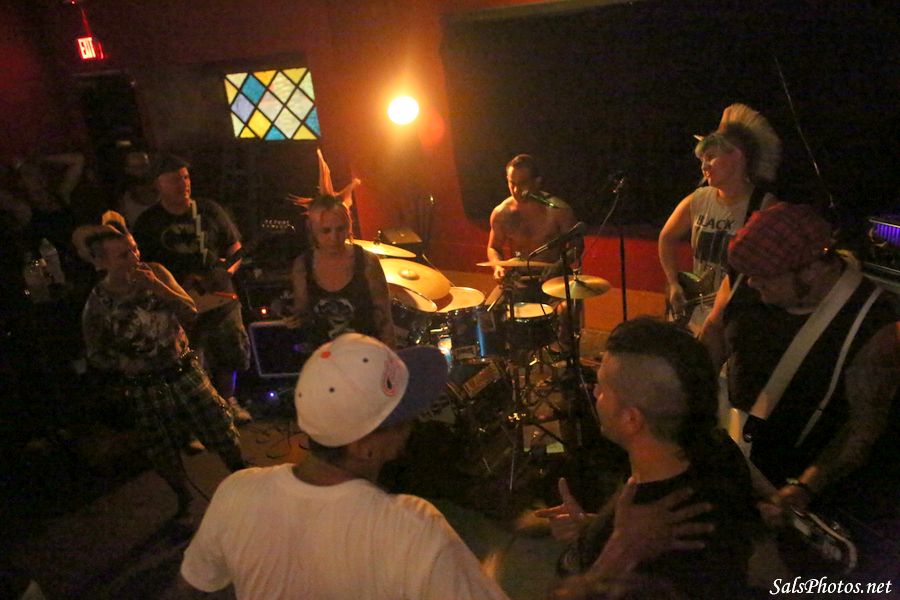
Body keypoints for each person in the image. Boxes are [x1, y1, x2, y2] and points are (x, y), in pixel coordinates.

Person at [180, 333, 508, 599]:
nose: (412, 426)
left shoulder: (236, 491)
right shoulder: (413, 530)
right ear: (363, 447)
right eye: (402, 418)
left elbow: (196, 583)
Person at [700, 203, 900, 559]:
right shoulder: (747, 276)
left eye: (765, 276)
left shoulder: (874, 324)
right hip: (727, 450)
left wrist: (805, 487)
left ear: (812, 269)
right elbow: (714, 331)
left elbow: (860, 429)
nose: (752, 282)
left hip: (789, 481)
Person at [538, 317, 758, 598]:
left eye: (602, 387)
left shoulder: (648, 560)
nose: (594, 392)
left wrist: (610, 554)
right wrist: (593, 528)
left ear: (631, 419)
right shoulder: (719, 451)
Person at [76, 213, 246, 516]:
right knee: (161, 448)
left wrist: (157, 287)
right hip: (144, 384)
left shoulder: (155, 273)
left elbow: (190, 311)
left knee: (219, 427)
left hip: (183, 368)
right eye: (123, 255)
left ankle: (244, 478)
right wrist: (123, 363)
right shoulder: (98, 302)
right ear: (101, 263)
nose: (134, 258)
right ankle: (184, 501)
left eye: (134, 249)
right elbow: (95, 352)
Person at [132, 154, 252, 423]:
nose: (183, 184)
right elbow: (143, 264)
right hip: (179, 301)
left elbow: (234, 245)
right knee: (191, 358)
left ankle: (229, 401)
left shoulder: (209, 210)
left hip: (221, 297)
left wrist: (227, 270)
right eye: (175, 179)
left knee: (230, 349)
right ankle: (202, 414)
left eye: (185, 177)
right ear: (158, 184)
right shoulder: (149, 222)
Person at [658, 104, 781, 332]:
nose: (703, 166)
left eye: (711, 157)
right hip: (694, 313)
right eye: (702, 160)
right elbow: (666, 238)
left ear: (737, 156)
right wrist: (673, 283)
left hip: (735, 318)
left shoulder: (763, 205)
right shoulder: (698, 199)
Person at [287, 150, 394, 347]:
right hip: (325, 357)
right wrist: (293, 318)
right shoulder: (303, 266)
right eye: (326, 231)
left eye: (340, 229)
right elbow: (302, 314)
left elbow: (385, 319)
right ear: (313, 231)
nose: (334, 237)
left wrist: (389, 359)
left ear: (349, 227)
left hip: (366, 354)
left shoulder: (367, 262)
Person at [487, 154, 581, 352]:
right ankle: (511, 363)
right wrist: (498, 267)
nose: (516, 190)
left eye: (522, 183)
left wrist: (558, 265)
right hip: (519, 279)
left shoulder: (558, 210)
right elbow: (493, 247)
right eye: (512, 183)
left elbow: (577, 246)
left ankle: (562, 357)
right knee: (489, 311)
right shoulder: (502, 213)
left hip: (554, 278)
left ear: (537, 181)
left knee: (568, 310)